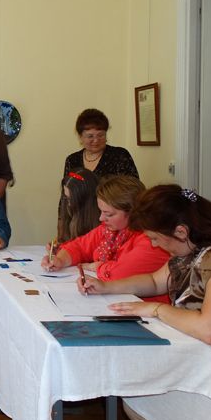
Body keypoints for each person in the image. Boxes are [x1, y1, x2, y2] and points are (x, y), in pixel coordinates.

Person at [78, 185, 211, 420]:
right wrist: (105, 287)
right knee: (141, 401)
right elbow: (155, 282)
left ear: (181, 231)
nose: (155, 245)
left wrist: (157, 310)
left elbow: (210, 329)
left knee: (149, 401)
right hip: (209, 368)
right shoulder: (193, 250)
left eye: (156, 238)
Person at [41, 176, 170, 301]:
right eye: (101, 211)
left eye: (109, 214)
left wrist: (97, 266)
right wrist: (60, 260)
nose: (101, 218)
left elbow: (119, 275)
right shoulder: (110, 229)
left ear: (132, 213)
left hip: (143, 306)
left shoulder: (150, 239)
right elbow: (79, 246)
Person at [62, 108, 138, 179]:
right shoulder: (72, 160)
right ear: (80, 137)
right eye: (90, 136)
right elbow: (67, 187)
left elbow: (134, 187)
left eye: (100, 135)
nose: (96, 140)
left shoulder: (120, 155)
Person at [56, 169, 100, 244]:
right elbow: (64, 240)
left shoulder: (100, 226)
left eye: (72, 199)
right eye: (67, 198)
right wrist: (58, 245)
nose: (69, 204)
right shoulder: (69, 211)